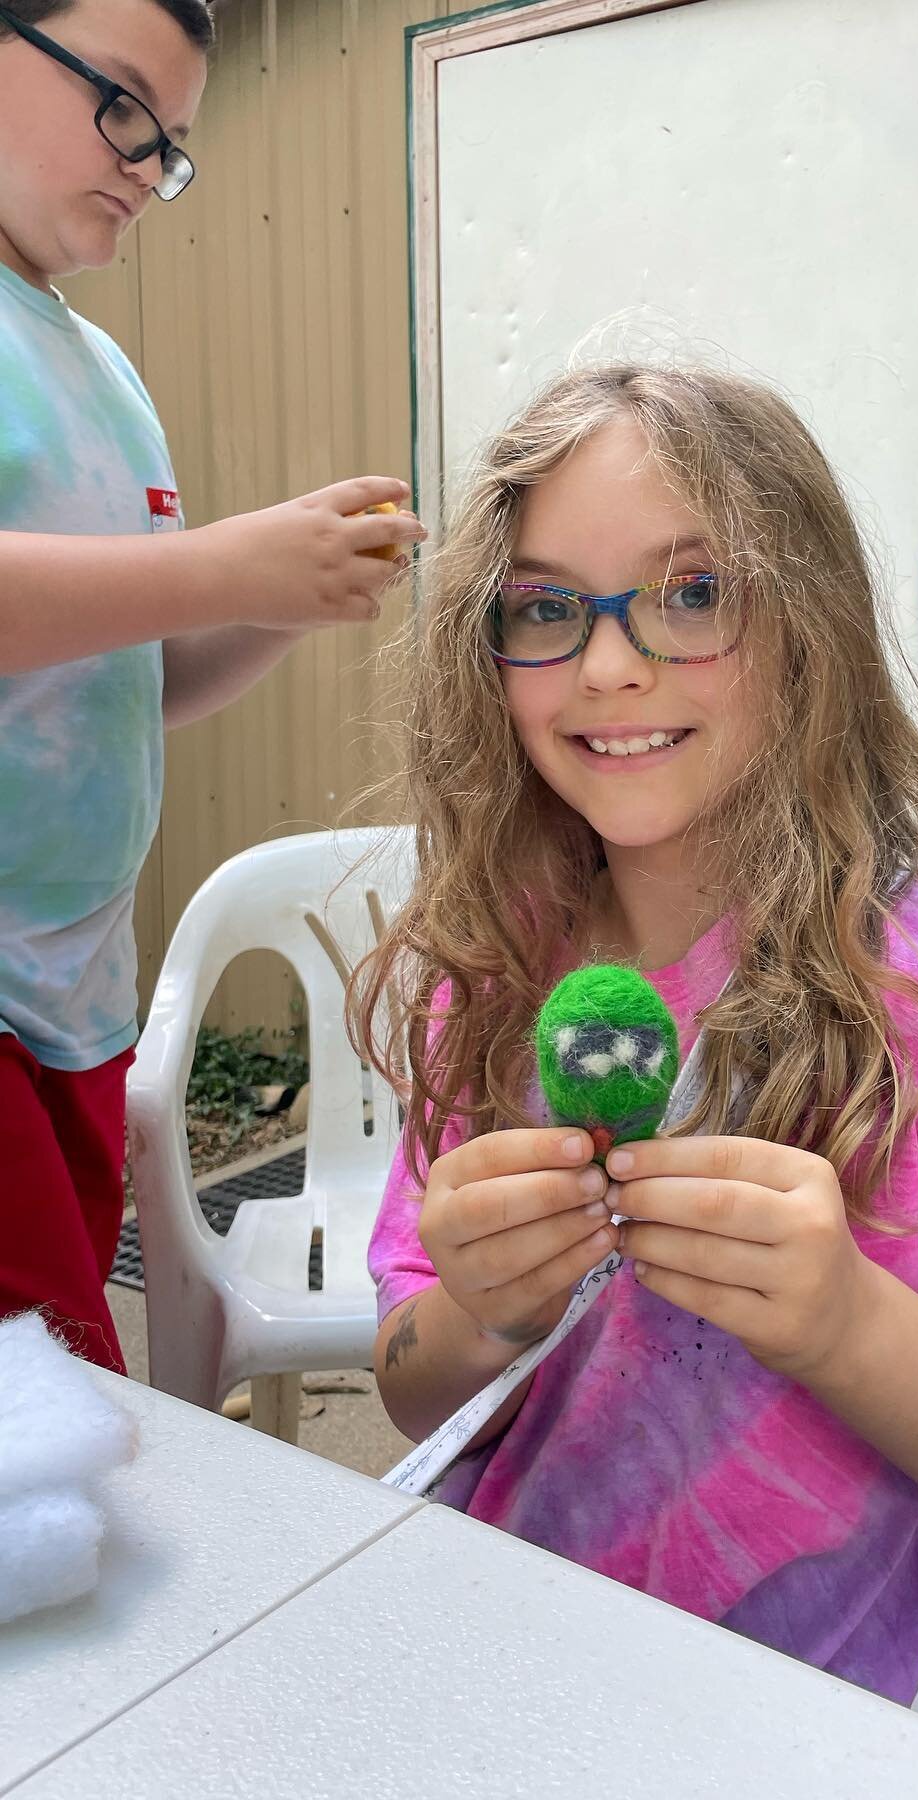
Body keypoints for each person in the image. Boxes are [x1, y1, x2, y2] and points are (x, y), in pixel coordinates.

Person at [351, 364, 918, 1706]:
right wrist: (480, 1314)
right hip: (494, 1656)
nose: (611, 664)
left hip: (779, 1721)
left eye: (692, 592)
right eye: (548, 608)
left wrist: (848, 1323)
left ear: (807, 627)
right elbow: (408, 1387)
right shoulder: (496, 963)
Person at [0, 0, 424, 1373]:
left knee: (54, 1398)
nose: (146, 161)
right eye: (122, 103)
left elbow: (138, 678)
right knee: (47, 1428)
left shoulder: (101, 368)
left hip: (77, 996)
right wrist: (224, 564)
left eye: (172, 142)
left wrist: (275, 596)